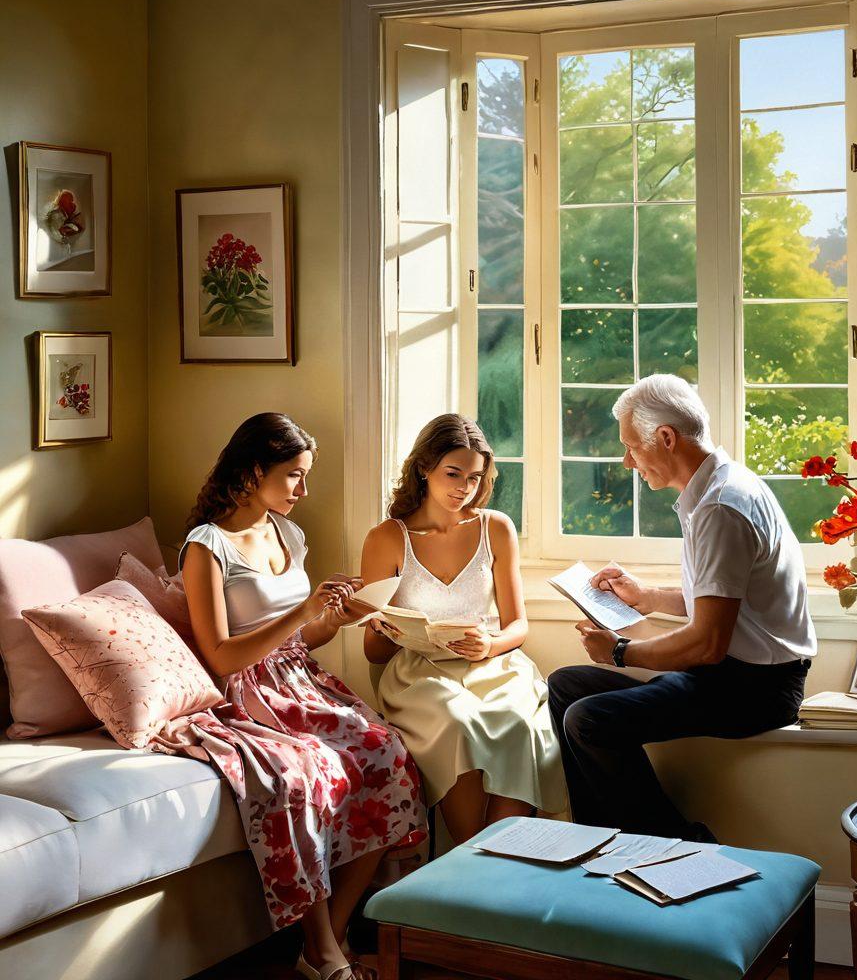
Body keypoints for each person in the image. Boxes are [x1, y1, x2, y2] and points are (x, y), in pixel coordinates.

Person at [178, 413, 426, 980]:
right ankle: (324, 952)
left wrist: (337, 618)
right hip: (248, 692)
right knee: (303, 775)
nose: (304, 489)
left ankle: (328, 941)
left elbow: (304, 636)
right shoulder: (206, 548)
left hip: (302, 679)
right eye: (293, 476)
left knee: (386, 754)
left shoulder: (289, 532)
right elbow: (219, 655)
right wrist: (302, 611)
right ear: (252, 471)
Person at [546, 375, 816, 841]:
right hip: (727, 676)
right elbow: (719, 601)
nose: (627, 461)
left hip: (755, 690)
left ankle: (679, 846)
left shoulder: (722, 508)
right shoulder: (716, 491)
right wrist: (645, 596)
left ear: (666, 438)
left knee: (587, 719)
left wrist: (618, 651)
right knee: (566, 686)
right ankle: (600, 841)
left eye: (632, 446)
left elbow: (708, 643)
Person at [360, 414, 566, 844]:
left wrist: (490, 645)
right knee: (459, 724)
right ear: (424, 468)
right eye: (453, 474)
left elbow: (517, 625)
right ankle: (471, 859)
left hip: (496, 666)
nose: (464, 488)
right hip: (421, 674)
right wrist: (383, 625)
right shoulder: (387, 538)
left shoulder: (496, 528)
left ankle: (496, 862)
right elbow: (373, 653)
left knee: (519, 724)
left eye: (475, 478)